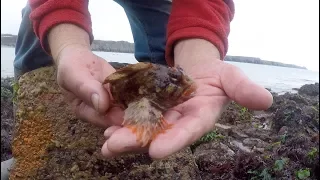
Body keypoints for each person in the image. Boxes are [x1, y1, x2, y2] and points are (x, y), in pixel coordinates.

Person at [2, 0, 273, 178]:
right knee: (37, 28)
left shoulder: (164, 87)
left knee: (165, 30)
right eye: (176, 82)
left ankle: (162, 151)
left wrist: (198, 53)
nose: (183, 84)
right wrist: (66, 45)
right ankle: (29, 145)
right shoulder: (151, 93)